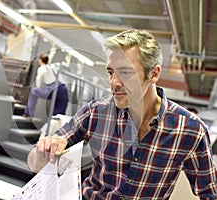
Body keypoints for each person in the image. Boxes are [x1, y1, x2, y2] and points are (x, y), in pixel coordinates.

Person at [27, 29, 217, 199]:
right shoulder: (96, 113)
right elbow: (33, 163)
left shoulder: (190, 130)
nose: (114, 82)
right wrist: (43, 152)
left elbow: (210, 192)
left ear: (154, 74)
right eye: (111, 72)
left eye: (125, 72)